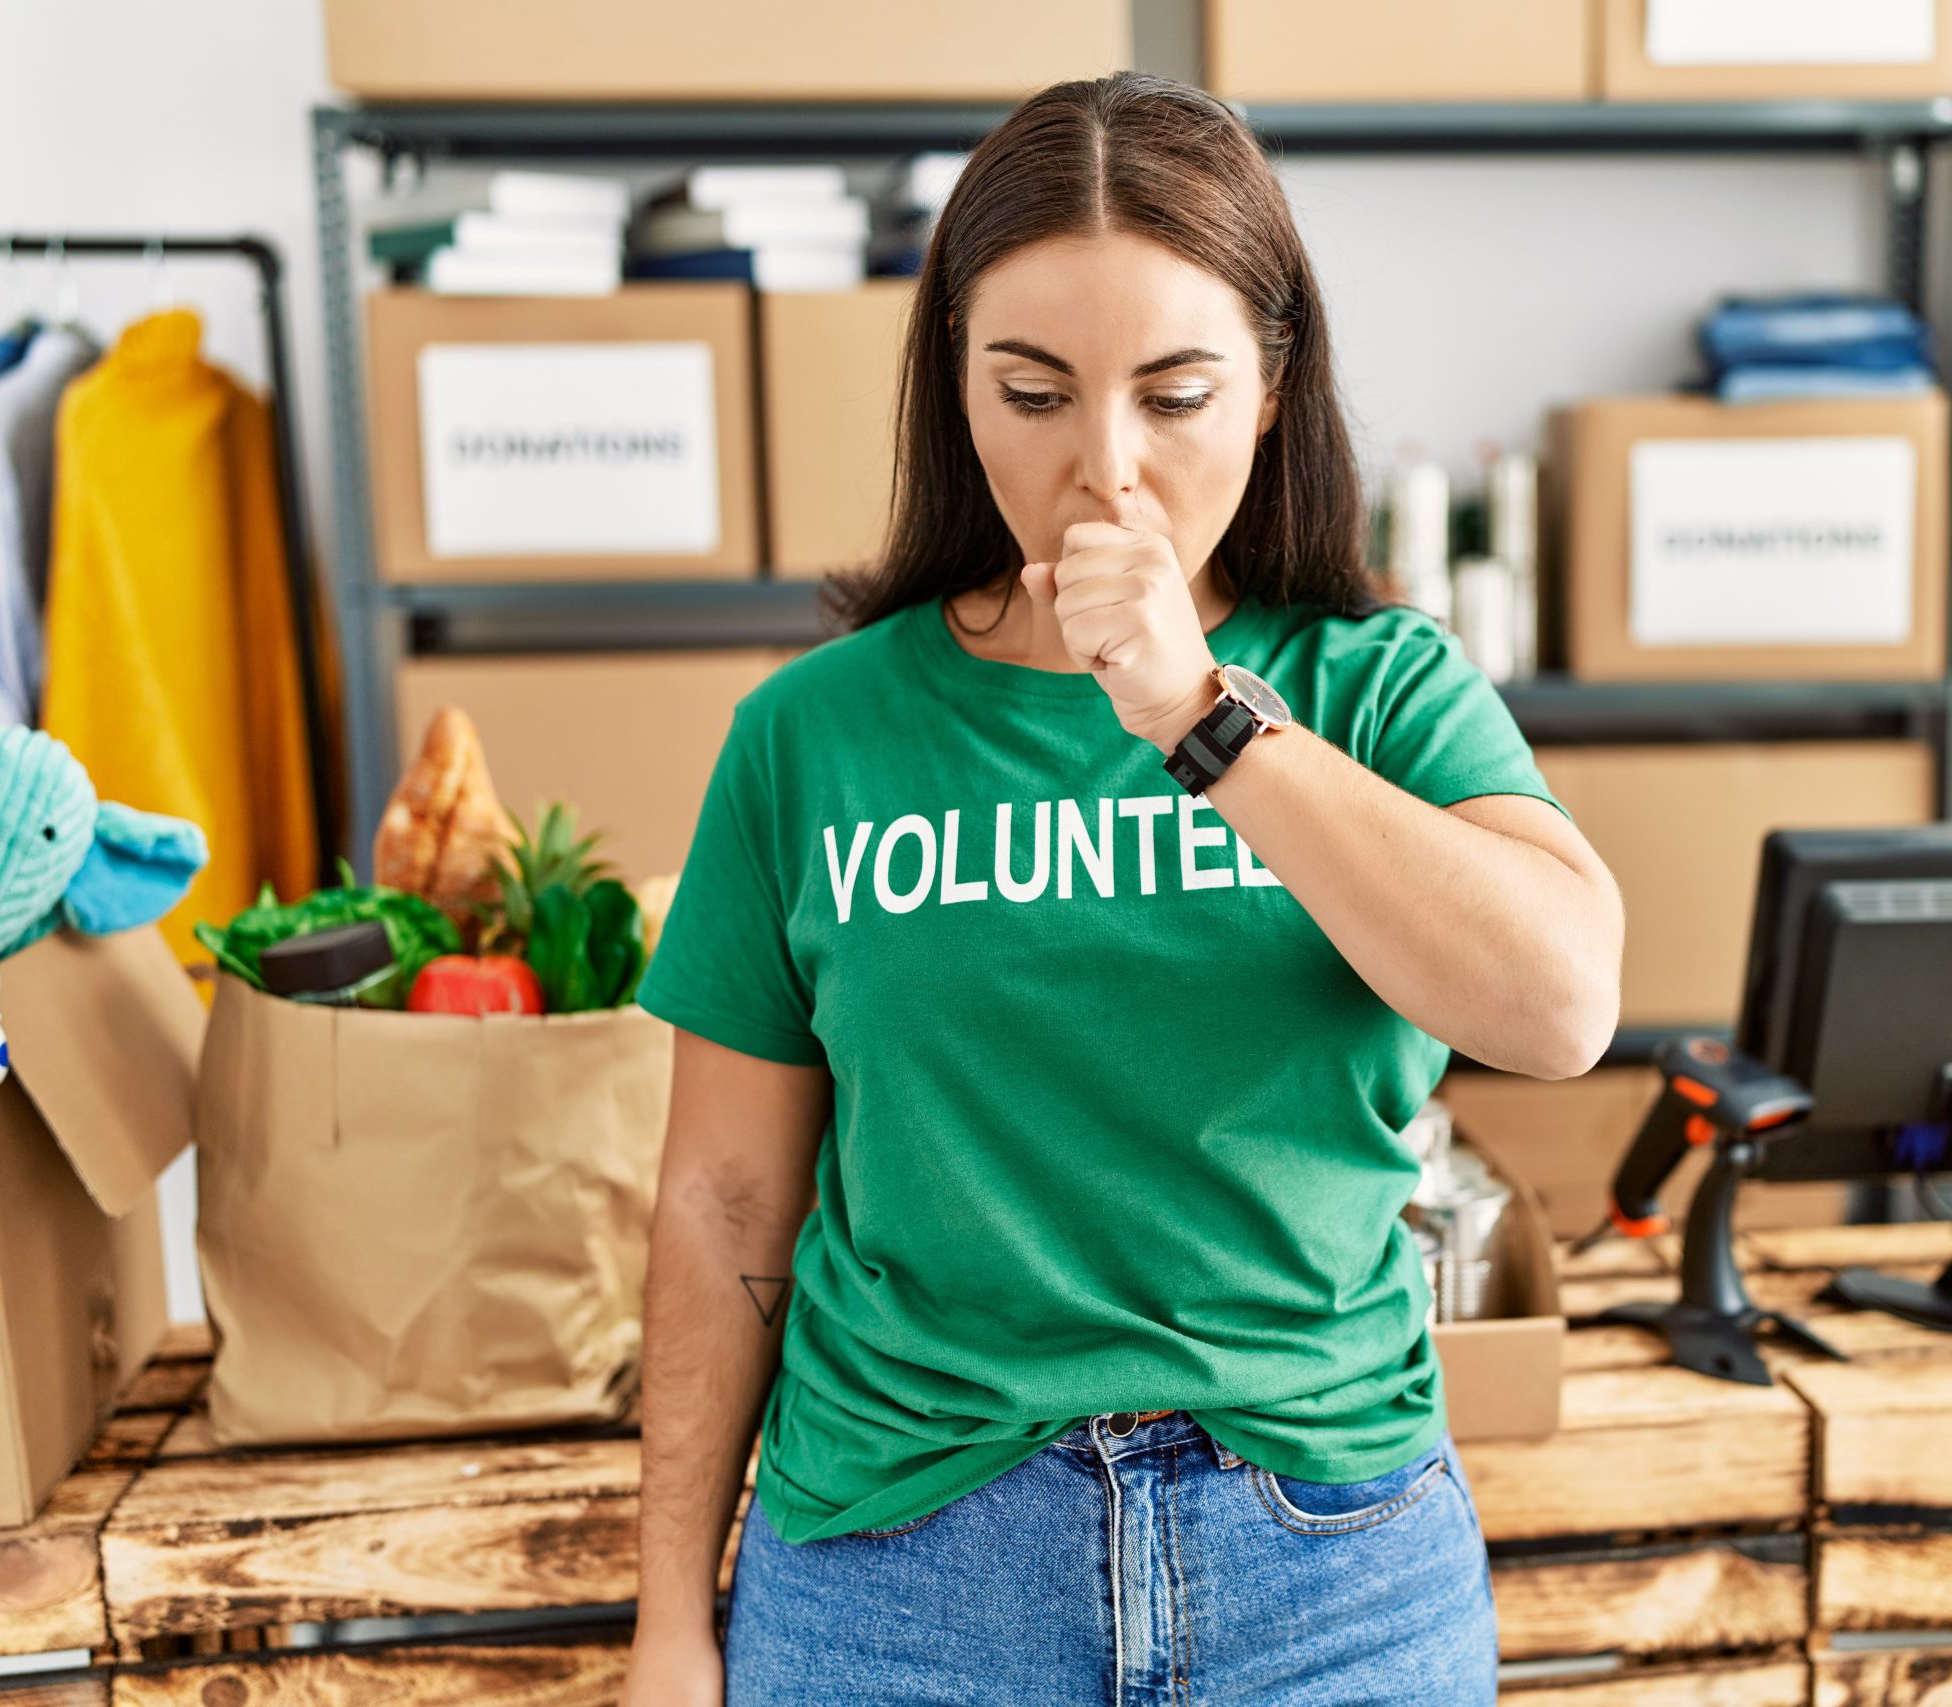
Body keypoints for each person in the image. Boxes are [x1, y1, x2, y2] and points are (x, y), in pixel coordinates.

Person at [621, 68, 1623, 1706]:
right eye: (1034, 394)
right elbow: (724, 1202)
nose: (1110, 471)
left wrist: (1202, 717)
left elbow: (1564, 1003)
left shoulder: (1377, 692)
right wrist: (671, 1613)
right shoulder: (813, 738)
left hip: (1328, 1570)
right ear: (955, 387)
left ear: (1274, 389)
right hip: (899, 1573)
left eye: (1175, 395)